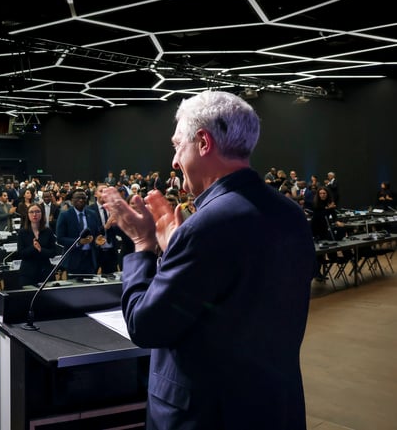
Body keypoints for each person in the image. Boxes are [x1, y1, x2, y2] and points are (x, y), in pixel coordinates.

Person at [101, 90, 315, 429]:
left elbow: (146, 325)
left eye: (177, 146)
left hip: (207, 416)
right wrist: (175, 251)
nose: (173, 162)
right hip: (274, 408)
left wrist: (143, 245)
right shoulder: (290, 214)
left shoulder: (206, 226)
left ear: (203, 142)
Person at [55, 189, 98, 276]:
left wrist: (98, 239)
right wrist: (78, 242)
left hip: (90, 258)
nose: (81, 200)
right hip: (73, 259)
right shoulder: (65, 215)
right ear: (71, 200)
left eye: (83, 197)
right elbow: (60, 239)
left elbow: (96, 233)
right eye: (78, 198)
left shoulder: (92, 214)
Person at [17, 203, 57, 287]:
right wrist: (33, 248)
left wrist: (40, 249)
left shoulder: (48, 231)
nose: (34, 214)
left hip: (45, 271)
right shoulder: (22, 232)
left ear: (42, 214)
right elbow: (21, 254)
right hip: (28, 273)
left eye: (37, 212)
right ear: (27, 215)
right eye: (31, 212)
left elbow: (53, 252)